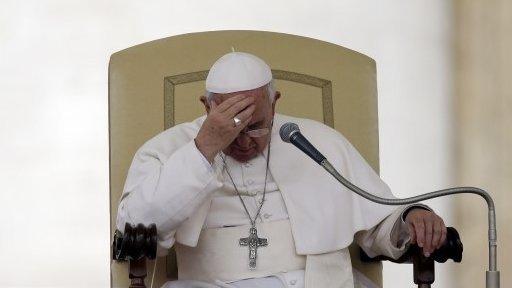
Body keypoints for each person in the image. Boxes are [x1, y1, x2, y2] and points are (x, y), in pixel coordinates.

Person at [116, 52, 447, 288]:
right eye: (231, 128)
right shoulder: (169, 148)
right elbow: (134, 225)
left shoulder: (318, 143)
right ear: (207, 107)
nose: (244, 141)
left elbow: (378, 220)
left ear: (274, 102)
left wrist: (412, 217)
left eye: (256, 126)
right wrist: (205, 148)